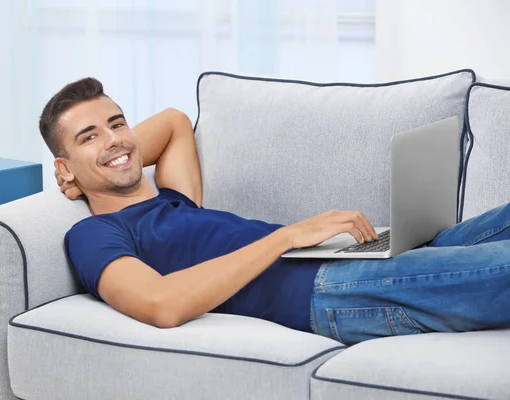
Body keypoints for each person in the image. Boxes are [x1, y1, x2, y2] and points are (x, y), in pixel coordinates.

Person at [40, 77, 510, 346]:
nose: (115, 137)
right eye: (89, 135)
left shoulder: (173, 200)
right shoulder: (96, 233)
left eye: (117, 123)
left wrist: (111, 154)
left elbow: (173, 123)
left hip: (341, 258)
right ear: (63, 170)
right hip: (322, 289)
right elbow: (162, 304)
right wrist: (287, 237)